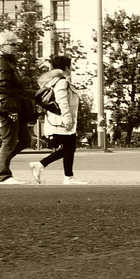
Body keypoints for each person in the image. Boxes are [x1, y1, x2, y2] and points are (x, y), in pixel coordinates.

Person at [0, 30, 32, 184]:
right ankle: (4, 175)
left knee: (25, 139)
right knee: (9, 141)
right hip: (8, 108)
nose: (16, 47)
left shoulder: (8, 62)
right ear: (2, 46)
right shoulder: (1, 62)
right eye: (12, 44)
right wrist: (10, 109)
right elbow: (1, 88)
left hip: (14, 106)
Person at [30, 54, 85, 185]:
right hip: (61, 120)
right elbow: (62, 101)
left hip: (56, 120)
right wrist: (67, 119)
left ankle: (43, 166)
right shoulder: (62, 82)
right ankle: (67, 176)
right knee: (69, 147)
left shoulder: (53, 81)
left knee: (68, 147)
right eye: (70, 66)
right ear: (66, 67)